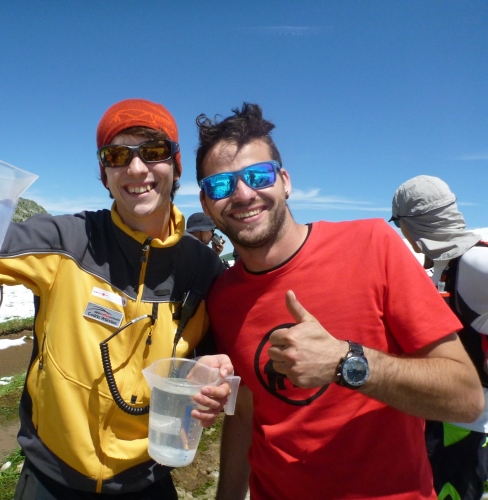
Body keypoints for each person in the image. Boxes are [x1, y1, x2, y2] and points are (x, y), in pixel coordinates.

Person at [0, 98, 233, 499]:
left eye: (153, 151)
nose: (136, 168)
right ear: (104, 175)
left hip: (150, 480)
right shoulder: (63, 240)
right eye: (117, 155)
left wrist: (210, 376)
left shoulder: (204, 269)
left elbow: (215, 361)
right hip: (52, 478)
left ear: (175, 166)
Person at [193, 102, 484, 499]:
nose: (243, 194)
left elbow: (466, 399)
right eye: (221, 186)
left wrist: (347, 363)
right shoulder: (223, 297)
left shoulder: (371, 245)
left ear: (285, 182)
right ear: (206, 204)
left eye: (258, 175)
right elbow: (245, 411)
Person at [391, 175, 488, 500]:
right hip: (450, 419)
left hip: (468, 428)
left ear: (408, 224)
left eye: (398, 224)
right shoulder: (450, 262)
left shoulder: (475, 263)